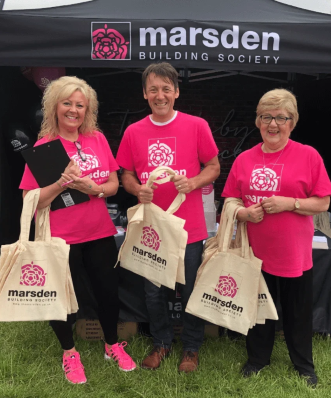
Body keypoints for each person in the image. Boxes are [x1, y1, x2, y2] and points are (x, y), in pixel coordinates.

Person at [19, 76, 136, 384]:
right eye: (67, 103)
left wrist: (94, 188)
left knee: (108, 293)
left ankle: (112, 345)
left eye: (80, 105)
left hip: (99, 232)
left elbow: (113, 185)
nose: (73, 110)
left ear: (88, 110)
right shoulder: (44, 148)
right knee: (62, 300)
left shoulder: (96, 139)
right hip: (61, 238)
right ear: (55, 107)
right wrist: (62, 183)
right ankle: (69, 352)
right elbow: (31, 202)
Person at [222, 88, 331, 387]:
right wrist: (245, 214)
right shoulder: (244, 159)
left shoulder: (308, 155)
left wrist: (291, 203)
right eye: (266, 117)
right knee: (259, 310)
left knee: (298, 314)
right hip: (255, 252)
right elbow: (230, 200)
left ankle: (304, 365)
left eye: (281, 118)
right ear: (258, 121)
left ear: (292, 122)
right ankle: (257, 359)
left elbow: (323, 202)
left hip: (294, 253)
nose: (273, 124)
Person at [116, 62, 220, 373]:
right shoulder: (134, 132)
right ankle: (161, 342)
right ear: (144, 94)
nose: (160, 95)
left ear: (176, 91)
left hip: (190, 227)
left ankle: (191, 347)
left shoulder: (196, 125)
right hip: (152, 228)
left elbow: (213, 167)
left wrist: (193, 183)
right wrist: (138, 190)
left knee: (189, 289)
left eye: (165, 89)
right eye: (153, 89)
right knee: (153, 291)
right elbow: (126, 175)